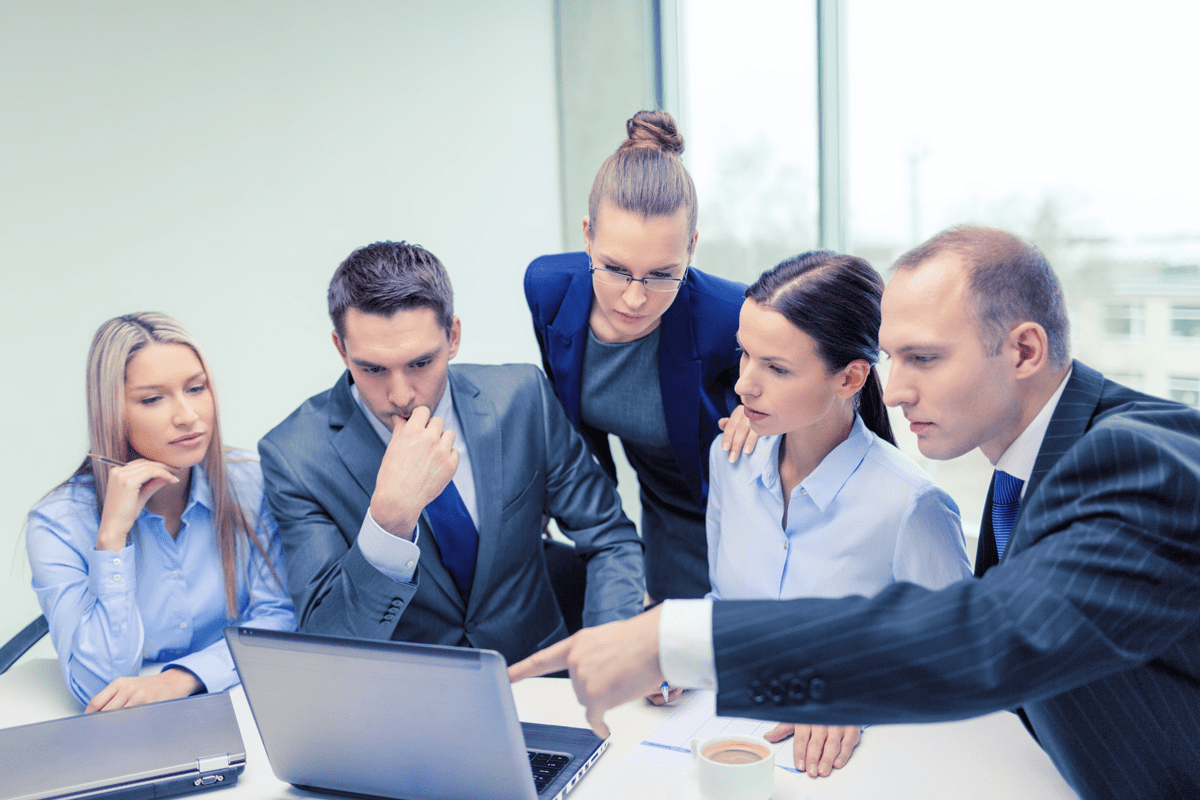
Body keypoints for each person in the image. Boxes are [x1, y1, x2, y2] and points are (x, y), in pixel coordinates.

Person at [510, 226, 1200, 800]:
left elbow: (991, 630)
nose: (894, 392)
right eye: (893, 358)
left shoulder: (1132, 460)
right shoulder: (1022, 471)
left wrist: (676, 638)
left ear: (1023, 350)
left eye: (924, 359)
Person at [258, 241, 645, 666]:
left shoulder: (522, 398)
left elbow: (610, 538)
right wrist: (390, 521)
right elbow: (326, 645)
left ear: (454, 337)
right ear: (340, 349)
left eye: (421, 363)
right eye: (372, 369)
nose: (401, 395)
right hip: (408, 707)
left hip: (542, 682)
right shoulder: (294, 456)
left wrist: (615, 655)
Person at [706, 251, 971, 775]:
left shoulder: (910, 505)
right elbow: (725, 604)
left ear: (850, 379)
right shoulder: (730, 459)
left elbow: (959, 660)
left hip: (852, 769)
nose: (744, 386)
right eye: (745, 355)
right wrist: (669, 654)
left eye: (777, 368)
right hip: (726, 741)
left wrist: (857, 692)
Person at [525, 110, 752, 605]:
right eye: (614, 268)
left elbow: (808, 379)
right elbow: (569, 410)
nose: (633, 298)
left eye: (660, 274)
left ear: (692, 248)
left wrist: (763, 417)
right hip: (661, 505)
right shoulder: (547, 290)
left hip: (739, 506)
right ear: (587, 235)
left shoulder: (731, 313)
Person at [26, 313, 296, 712]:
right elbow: (96, 687)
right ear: (110, 412)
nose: (188, 416)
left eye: (196, 388)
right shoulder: (58, 525)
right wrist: (112, 540)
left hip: (240, 699)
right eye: (152, 398)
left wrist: (181, 679)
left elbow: (279, 621)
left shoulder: (251, 482)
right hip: (128, 727)